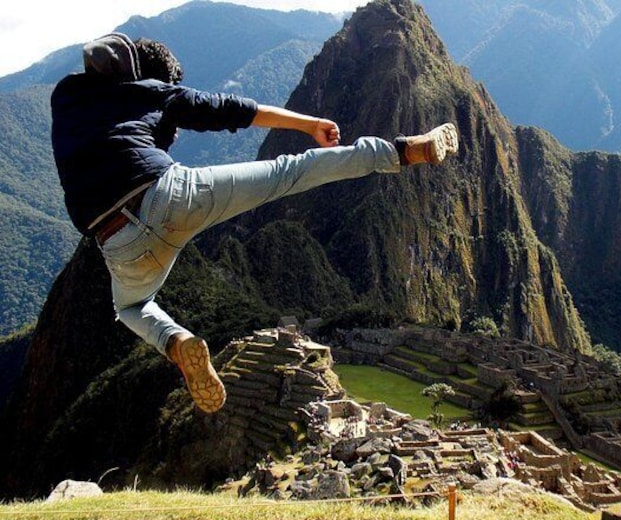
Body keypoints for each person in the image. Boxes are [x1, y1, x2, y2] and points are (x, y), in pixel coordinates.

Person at [51, 33, 459, 414]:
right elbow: (230, 110)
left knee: (131, 307)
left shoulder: (65, 97)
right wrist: (307, 124)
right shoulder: (151, 93)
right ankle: (403, 151)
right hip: (172, 194)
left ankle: (176, 342)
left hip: (115, 239)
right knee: (290, 172)